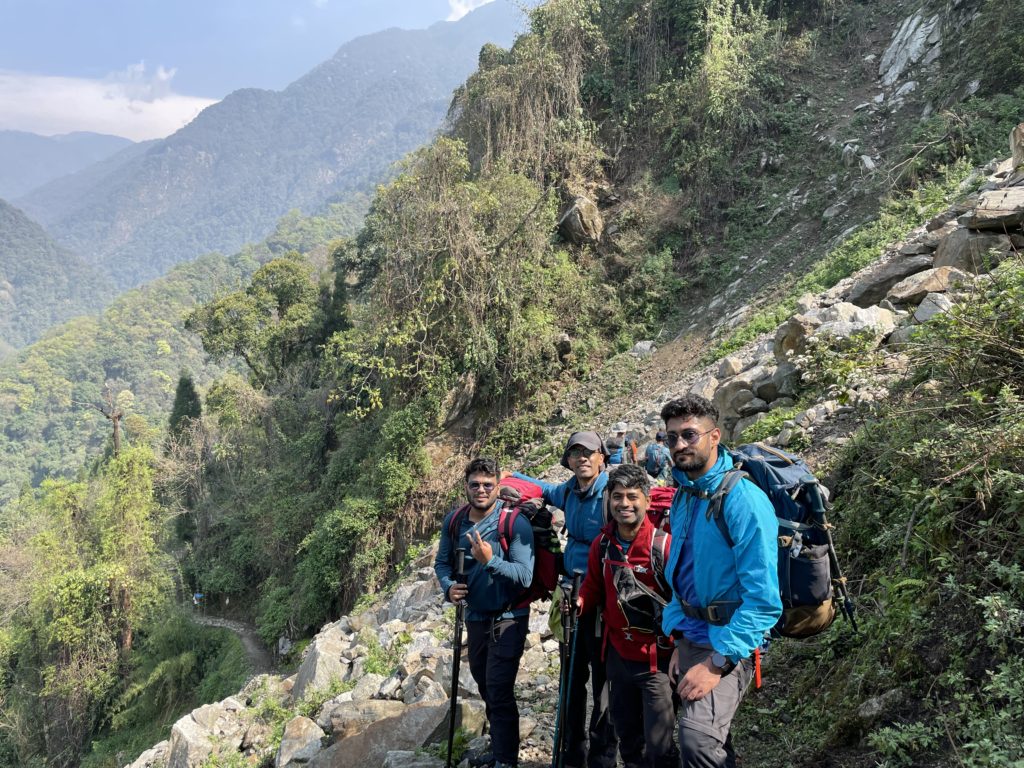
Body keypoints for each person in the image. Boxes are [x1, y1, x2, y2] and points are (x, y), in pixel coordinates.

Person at [659, 395, 781, 768]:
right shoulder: (685, 494)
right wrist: (679, 638)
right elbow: (682, 574)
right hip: (692, 636)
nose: (680, 444)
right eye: (672, 437)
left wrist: (716, 663)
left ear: (715, 436)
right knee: (713, 739)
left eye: (689, 434)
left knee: (697, 740)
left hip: (730, 640)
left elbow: (763, 600)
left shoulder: (744, 500)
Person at [511, 432, 618, 768]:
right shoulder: (568, 491)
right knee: (571, 679)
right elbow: (543, 488)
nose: (582, 457)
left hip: (604, 599)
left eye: (588, 452)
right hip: (570, 594)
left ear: (602, 457)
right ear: (568, 460)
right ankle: (572, 754)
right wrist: (510, 476)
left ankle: (602, 757)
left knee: (603, 681)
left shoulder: (613, 493)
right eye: (575, 452)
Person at [435, 458, 536, 768]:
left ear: (497, 486)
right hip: (476, 616)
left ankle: (506, 760)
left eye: (488, 485)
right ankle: (500, 749)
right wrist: (448, 587)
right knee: (483, 683)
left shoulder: (514, 522)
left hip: (510, 616)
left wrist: (490, 560)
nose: (481, 490)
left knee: (498, 687)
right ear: (466, 486)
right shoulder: (454, 521)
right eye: (475, 484)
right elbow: (442, 563)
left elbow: (524, 576)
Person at [577, 464, 678, 768]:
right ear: (609, 500)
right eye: (617, 496)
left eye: (632, 497)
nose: (624, 504)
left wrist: (682, 648)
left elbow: (683, 600)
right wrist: (579, 601)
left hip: (656, 660)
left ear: (647, 499)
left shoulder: (663, 546)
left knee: (659, 745)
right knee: (628, 737)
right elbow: (593, 587)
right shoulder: (602, 545)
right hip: (618, 657)